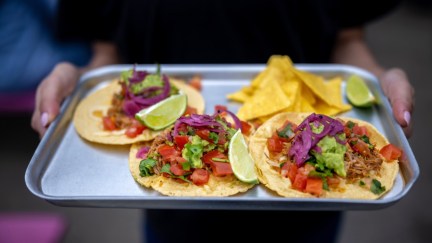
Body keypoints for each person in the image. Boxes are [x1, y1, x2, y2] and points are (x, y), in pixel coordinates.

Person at [30, 0, 414, 242]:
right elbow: (106, 56)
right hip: (174, 221)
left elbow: (348, 40)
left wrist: (377, 79)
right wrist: (79, 79)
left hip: (307, 217)